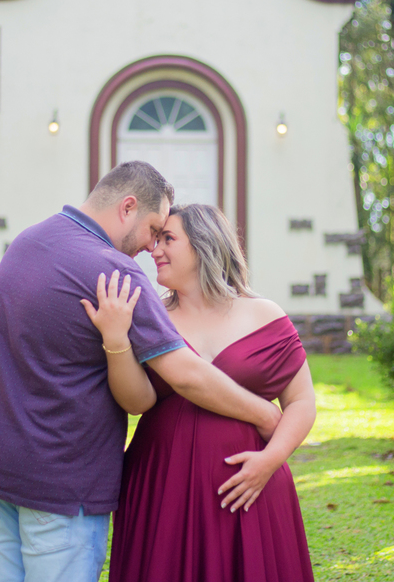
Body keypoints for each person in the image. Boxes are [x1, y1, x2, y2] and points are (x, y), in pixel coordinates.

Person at [0, 162, 281, 582]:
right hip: (60, 483)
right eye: (153, 228)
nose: (151, 246)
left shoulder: (26, 242)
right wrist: (264, 414)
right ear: (128, 207)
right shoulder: (113, 271)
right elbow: (185, 375)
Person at [83, 203, 317, 582]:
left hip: (248, 486)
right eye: (155, 239)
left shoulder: (264, 315)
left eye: (168, 239)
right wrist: (115, 337)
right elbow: (134, 401)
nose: (154, 250)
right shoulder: (151, 315)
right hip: (163, 484)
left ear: (204, 245)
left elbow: (302, 402)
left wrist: (269, 462)